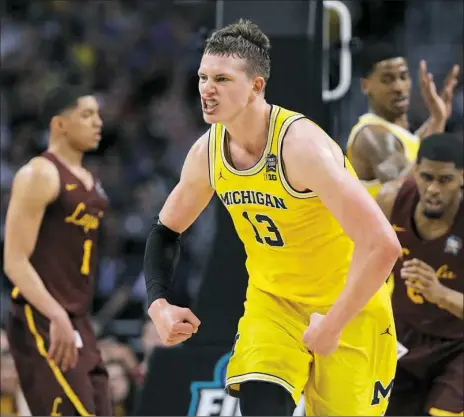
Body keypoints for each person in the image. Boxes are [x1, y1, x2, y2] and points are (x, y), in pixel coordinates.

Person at [143, 19, 401, 416]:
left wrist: (332, 323)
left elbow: (383, 245)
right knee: (262, 406)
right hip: (274, 303)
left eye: (222, 79)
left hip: (349, 306)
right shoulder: (206, 154)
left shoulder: (302, 148)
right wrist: (158, 304)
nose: (207, 89)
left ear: (256, 87)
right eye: (203, 77)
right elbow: (165, 232)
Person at [3, 85, 111, 416]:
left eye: (99, 115)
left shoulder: (92, 181)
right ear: (59, 124)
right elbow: (14, 261)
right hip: (42, 316)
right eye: (86, 114)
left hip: (77, 317)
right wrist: (55, 314)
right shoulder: (39, 173)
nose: (98, 123)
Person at [375, 133, 463, 416]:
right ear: (415, 171)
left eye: (445, 180)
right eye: (426, 177)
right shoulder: (390, 200)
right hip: (402, 336)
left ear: (462, 177)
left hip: (456, 345)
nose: (434, 188)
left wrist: (441, 294)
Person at [346, 43, 460, 199]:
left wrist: (438, 117)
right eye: (387, 80)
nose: (398, 87)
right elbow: (403, 189)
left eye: (403, 77)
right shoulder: (373, 135)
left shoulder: (399, 134)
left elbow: (418, 150)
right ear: (366, 86)